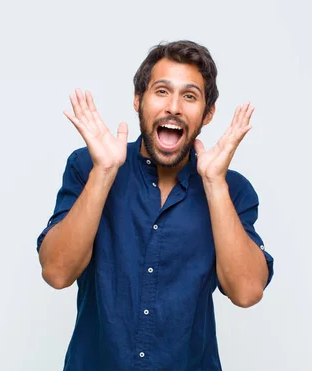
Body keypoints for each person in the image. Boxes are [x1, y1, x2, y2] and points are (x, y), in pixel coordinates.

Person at [36, 40, 274, 370]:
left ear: (207, 114)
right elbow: (57, 272)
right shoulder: (88, 167)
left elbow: (247, 292)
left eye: (189, 96)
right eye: (161, 91)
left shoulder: (232, 190)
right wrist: (104, 173)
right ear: (138, 100)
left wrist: (215, 185)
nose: (174, 107)